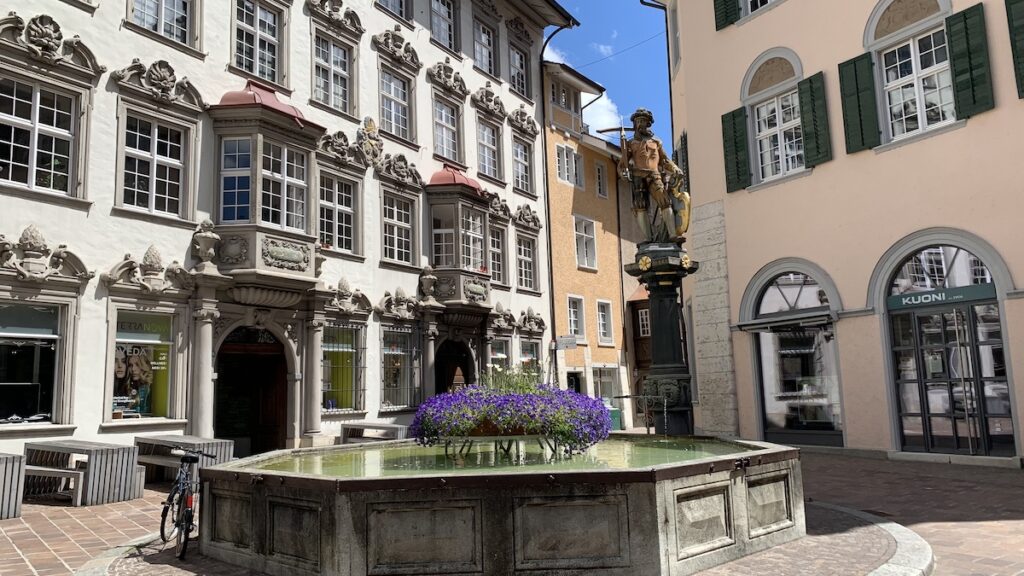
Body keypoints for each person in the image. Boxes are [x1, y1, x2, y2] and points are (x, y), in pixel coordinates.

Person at [618, 108, 690, 243]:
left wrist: (675, 168)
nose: (640, 124)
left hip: (654, 175)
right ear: (635, 124)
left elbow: (665, 160)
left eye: (643, 121)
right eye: (638, 121)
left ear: (648, 123)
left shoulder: (656, 142)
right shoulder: (630, 144)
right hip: (638, 176)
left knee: (665, 201)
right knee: (641, 206)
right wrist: (623, 173)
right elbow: (623, 164)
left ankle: (672, 234)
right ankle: (648, 238)